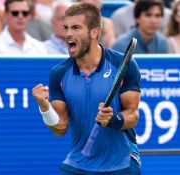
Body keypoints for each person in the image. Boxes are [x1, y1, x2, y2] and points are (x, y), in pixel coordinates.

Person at [32, 2, 141, 174]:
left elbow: (133, 115)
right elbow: (60, 129)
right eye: (66, 27)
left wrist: (113, 119)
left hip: (121, 164)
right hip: (78, 165)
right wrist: (45, 108)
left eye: (76, 27)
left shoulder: (122, 64)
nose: (68, 33)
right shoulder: (58, 74)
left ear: (94, 32)